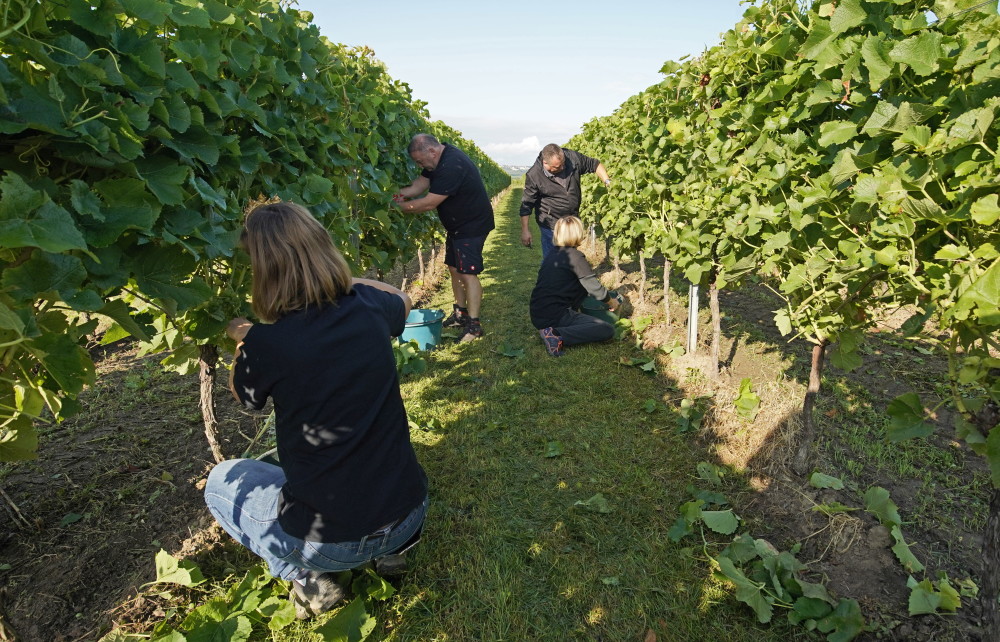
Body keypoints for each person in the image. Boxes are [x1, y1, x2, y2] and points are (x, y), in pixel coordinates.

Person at [205, 201, 429, 620]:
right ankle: (393, 552)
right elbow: (402, 297)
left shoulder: (269, 344)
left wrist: (244, 340)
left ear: (264, 271)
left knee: (221, 481)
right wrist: (342, 278)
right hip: (409, 513)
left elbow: (245, 398)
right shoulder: (366, 307)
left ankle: (311, 579)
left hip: (332, 541)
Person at [395, 133, 495, 341]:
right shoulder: (437, 161)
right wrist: (394, 195)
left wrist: (396, 209)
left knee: (468, 273)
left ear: (431, 150)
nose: (420, 165)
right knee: (453, 267)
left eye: (420, 161)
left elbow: (429, 202)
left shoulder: (451, 165)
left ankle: (474, 327)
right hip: (457, 226)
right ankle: (460, 313)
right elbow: (419, 186)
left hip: (471, 225)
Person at [529, 216, 623, 357]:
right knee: (605, 329)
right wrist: (612, 302)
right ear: (578, 233)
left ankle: (551, 330)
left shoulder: (553, 254)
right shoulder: (576, 257)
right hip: (556, 315)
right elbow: (595, 289)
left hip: (538, 312)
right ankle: (556, 335)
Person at [519, 143, 611, 259]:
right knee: (552, 259)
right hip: (551, 223)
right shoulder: (534, 175)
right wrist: (525, 230)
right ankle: (550, 276)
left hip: (572, 221)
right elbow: (526, 204)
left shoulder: (571, 158)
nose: (562, 168)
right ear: (545, 163)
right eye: (558, 167)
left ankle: (570, 275)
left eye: (563, 164)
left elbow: (594, 164)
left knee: (571, 258)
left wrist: (607, 182)